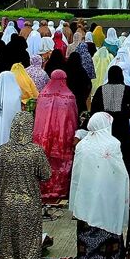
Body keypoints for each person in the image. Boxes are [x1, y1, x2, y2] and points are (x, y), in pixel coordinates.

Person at [70, 113, 130, 259]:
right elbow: (120, 176)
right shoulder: (113, 144)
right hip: (106, 211)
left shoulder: (82, 146)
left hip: (86, 211)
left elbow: (76, 179)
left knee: (88, 257)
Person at [0, 110, 51, 259]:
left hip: (5, 203)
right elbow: (46, 175)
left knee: (7, 246)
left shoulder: (2, 151)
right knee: (29, 247)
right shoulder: (35, 151)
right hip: (28, 203)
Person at [33, 69, 78, 202]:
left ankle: (43, 187)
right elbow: (73, 119)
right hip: (62, 137)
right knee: (60, 164)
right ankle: (59, 188)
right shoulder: (69, 96)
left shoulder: (42, 95)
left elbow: (38, 118)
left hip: (43, 138)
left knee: (44, 161)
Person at [90, 65, 130, 174]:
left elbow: (94, 110)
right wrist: (124, 113)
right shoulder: (127, 90)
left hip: (105, 129)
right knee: (123, 155)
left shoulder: (101, 90)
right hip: (122, 128)